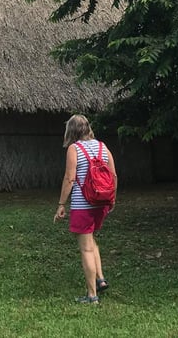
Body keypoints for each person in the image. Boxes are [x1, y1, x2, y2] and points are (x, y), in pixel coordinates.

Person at [54, 114, 117, 304]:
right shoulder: (102, 147)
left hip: (84, 205)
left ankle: (92, 296)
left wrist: (61, 204)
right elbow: (113, 175)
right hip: (101, 203)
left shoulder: (74, 149)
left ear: (71, 131)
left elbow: (69, 178)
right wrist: (112, 200)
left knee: (86, 249)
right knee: (90, 240)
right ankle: (100, 279)